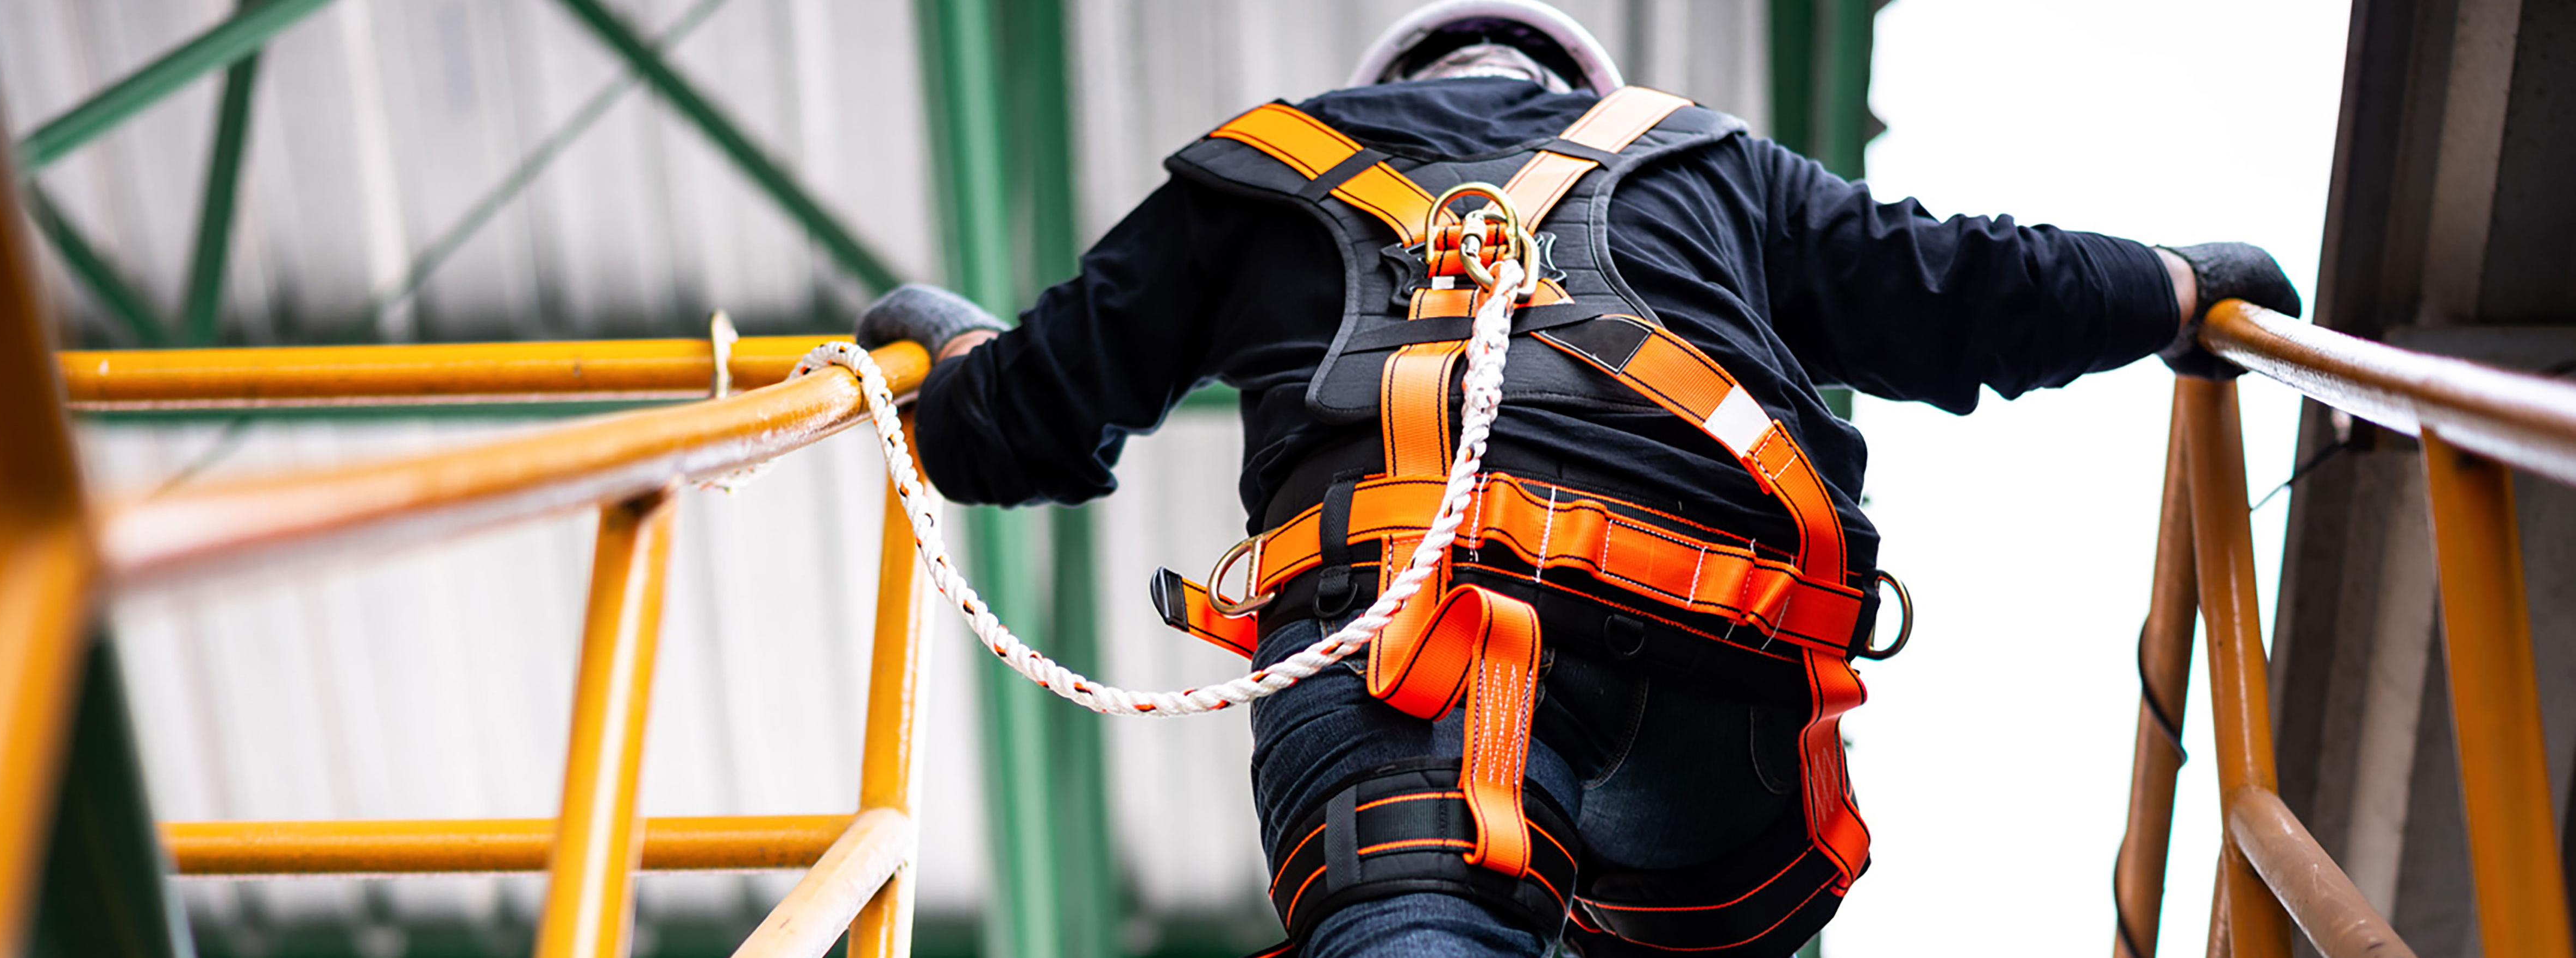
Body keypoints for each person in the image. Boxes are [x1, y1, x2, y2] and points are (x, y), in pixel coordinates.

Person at [854, 2, 2302, 955]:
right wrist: (2181, 292)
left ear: (1386, 95)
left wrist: (940, 343)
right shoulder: (1707, 162)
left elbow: (1021, 420)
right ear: (1580, 94)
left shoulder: (1250, 177)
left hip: (1409, 656)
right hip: (1722, 669)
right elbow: (1965, 283)